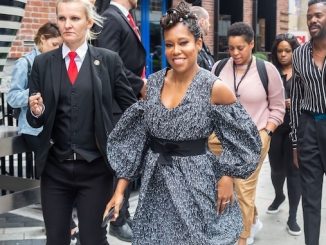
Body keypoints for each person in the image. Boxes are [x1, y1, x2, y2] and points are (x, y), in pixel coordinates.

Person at [104, 2, 262, 244]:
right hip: (155, 184)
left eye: (183, 42)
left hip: (196, 184)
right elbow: (136, 141)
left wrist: (228, 176)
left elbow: (245, 139)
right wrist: (119, 192)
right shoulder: (152, 86)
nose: (176, 50)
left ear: (198, 43)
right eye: (169, 44)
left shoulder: (215, 88)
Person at [27, 0, 136, 244]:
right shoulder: (43, 64)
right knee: (55, 239)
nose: (67, 24)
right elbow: (35, 121)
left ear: (88, 22)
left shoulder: (108, 61)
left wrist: (119, 144)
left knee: (93, 239)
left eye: (74, 18)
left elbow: (132, 111)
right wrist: (36, 112)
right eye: (62, 18)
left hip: (96, 171)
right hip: (55, 170)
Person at [211, 22, 285, 245]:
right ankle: (252, 220)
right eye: (231, 48)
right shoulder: (218, 67)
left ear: (251, 44)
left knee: (243, 188)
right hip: (220, 140)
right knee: (225, 185)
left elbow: (278, 107)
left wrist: (267, 133)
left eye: (240, 48)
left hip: (254, 139)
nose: (235, 53)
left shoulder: (267, 70)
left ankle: (241, 238)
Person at [95, 0, 147, 241]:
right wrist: (140, 85)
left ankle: (122, 215)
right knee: (120, 163)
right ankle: (118, 220)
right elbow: (108, 63)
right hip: (116, 105)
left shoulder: (123, 17)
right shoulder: (111, 18)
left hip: (125, 101)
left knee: (126, 162)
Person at [290, 1, 326, 244]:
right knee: (310, 198)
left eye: (319, 15)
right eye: (310, 16)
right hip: (310, 127)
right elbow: (295, 100)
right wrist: (295, 142)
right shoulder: (299, 54)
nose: (313, 20)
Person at [267, 33, 302, 236]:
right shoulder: (271, 72)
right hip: (275, 129)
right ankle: (279, 196)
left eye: (287, 51)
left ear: (294, 52)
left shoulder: (303, 73)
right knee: (277, 170)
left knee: (294, 173)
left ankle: (293, 217)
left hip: (297, 130)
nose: (283, 54)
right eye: (279, 51)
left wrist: (294, 103)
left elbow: (315, 100)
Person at [7, 22, 61, 138]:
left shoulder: (57, 63)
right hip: (32, 131)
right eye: (54, 44)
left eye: (60, 46)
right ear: (42, 39)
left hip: (54, 129)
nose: (57, 49)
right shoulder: (24, 63)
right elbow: (12, 98)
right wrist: (35, 93)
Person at [190, 6, 215, 71]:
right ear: (202, 22)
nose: (209, 24)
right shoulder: (192, 48)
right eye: (208, 20)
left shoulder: (203, 46)